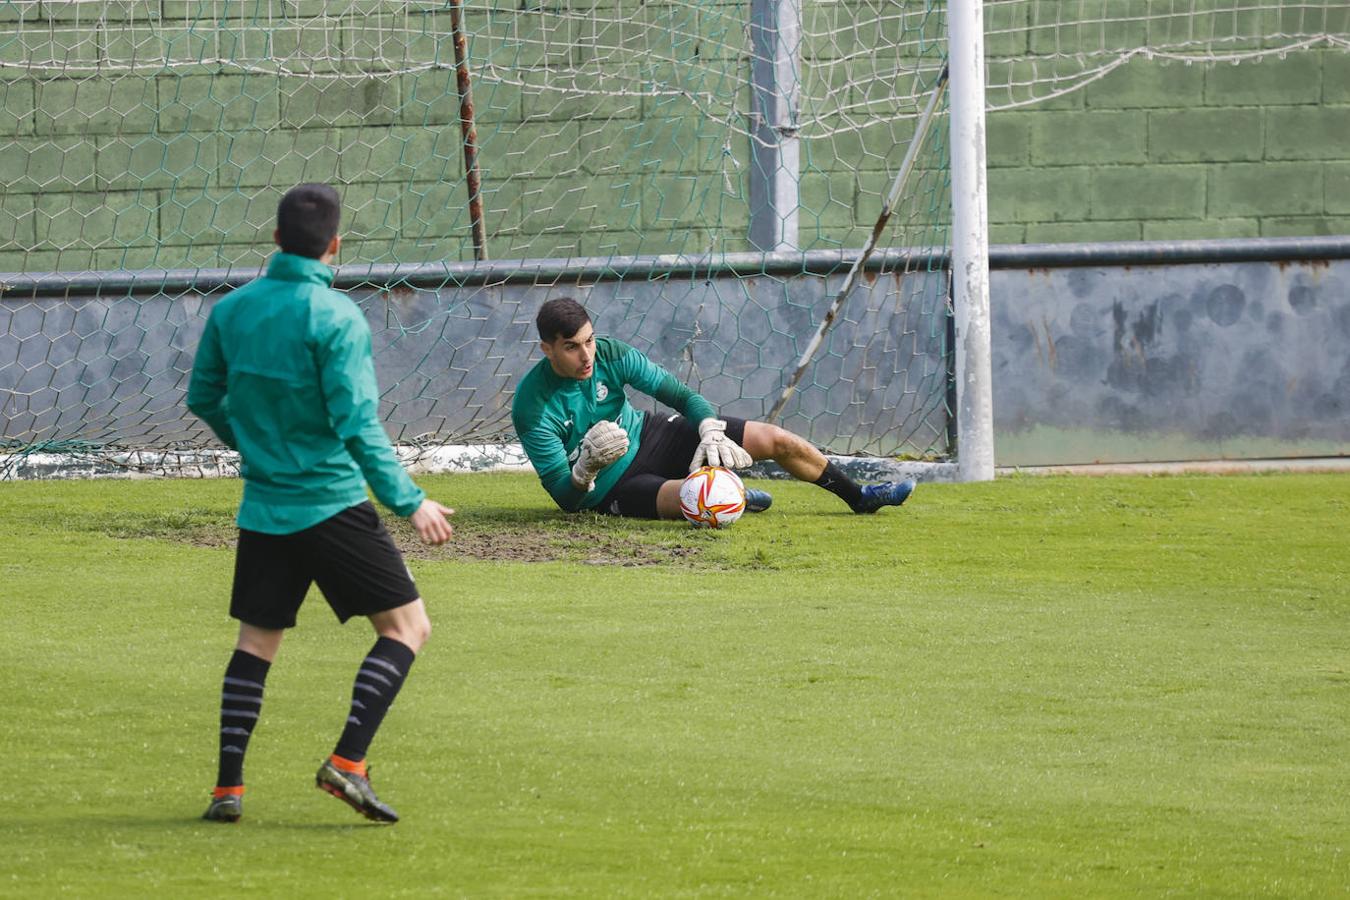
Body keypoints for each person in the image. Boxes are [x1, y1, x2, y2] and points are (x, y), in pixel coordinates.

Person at [186, 183, 454, 825]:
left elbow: (203, 396)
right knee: (408, 628)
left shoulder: (232, 312)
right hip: (332, 504)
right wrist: (409, 500)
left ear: (275, 240)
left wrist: (253, 444)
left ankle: (228, 789)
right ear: (336, 246)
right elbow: (360, 425)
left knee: (256, 641)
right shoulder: (337, 318)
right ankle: (348, 764)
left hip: (265, 508)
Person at [510, 297, 917, 520]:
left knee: (773, 438)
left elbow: (682, 396)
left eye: (590, 340)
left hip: (650, 435)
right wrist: (584, 473)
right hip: (611, 487)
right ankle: (733, 495)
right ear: (547, 349)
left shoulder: (613, 355)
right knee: (698, 501)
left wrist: (708, 427)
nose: (586, 355)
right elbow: (565, 498)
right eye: (572, 346)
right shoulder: (532, 407)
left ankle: (859, 497)